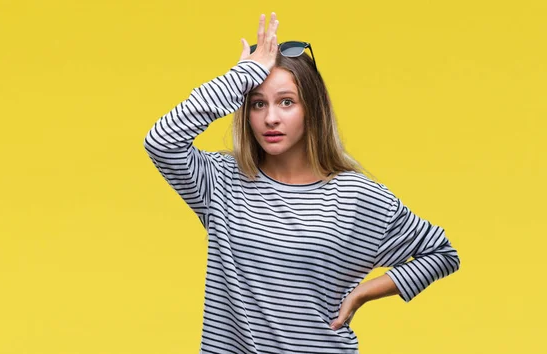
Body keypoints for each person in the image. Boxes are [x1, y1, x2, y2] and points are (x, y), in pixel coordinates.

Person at [143, 12, 460, 354]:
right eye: (257, 104)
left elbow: (441, 254)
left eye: (286, 102)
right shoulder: (221, 183)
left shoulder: (355, 196)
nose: (271, 118)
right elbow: (162, 141)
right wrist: (241, 77)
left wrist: (362, 293)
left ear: (312, 109)